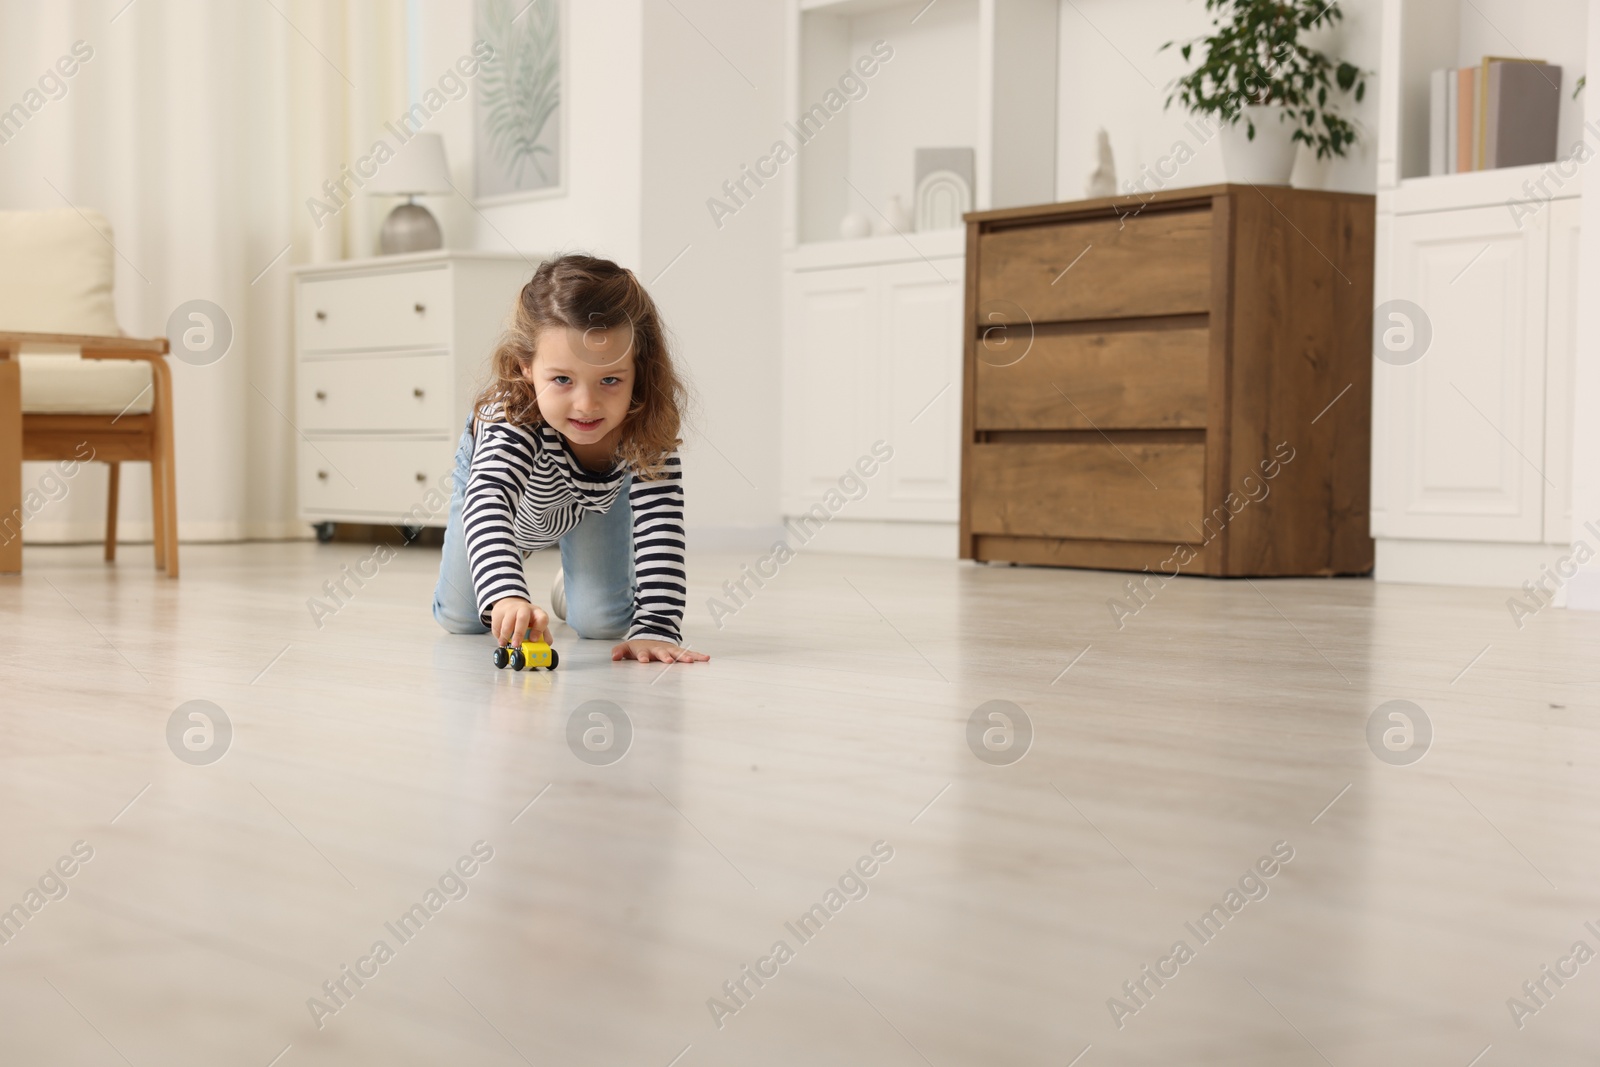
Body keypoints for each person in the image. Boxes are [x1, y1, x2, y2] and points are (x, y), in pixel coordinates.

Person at [432, 253, 709, 665]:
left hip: (591, 507)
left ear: (639, 370)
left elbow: (661, 524)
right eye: (562, 379)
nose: (586, 404)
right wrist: (507, 593)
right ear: (526, 366)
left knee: (603, 624)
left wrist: (656, 625)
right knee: (462, 618)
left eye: (610, 379)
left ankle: (571, 585)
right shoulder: (512, 412)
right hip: (505, 507)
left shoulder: (645, 420)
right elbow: (489, 501)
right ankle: (508, 561)